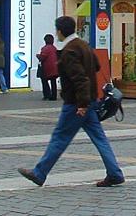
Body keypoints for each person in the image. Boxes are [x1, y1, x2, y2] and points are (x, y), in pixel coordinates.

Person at [18, 15, 125, 188]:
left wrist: (82, 104)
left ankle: (39, 173)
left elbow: (80, 80)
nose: (56, 33)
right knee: (99, 138)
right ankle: (115, 173)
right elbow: (97, 66)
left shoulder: (70, 51)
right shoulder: (84, 45)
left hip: (76, 104)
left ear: (60, 31)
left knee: (60, 137)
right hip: (90, 101)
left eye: (57, 30)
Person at [37, 33, 60, 100]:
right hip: (55, 68)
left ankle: (47, 95)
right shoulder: (54, 48)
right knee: (53, 82)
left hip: (47, 68)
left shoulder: (45, 48)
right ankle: (54, 96)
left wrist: (38, 56)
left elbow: (42, 57)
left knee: (44, 81)